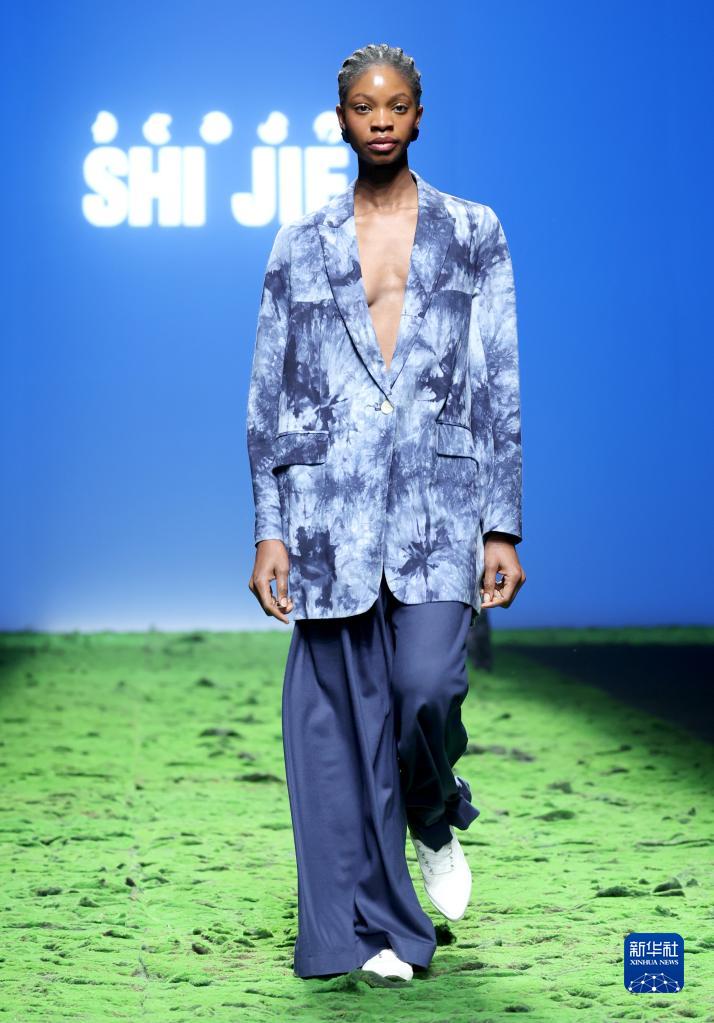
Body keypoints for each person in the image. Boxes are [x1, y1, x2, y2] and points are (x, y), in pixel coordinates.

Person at [246, 42, 526, 982]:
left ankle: (433, 809)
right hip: (331, 513)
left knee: (427, 690)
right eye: (364, 107)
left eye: (395, 105)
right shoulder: (301, 242)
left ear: (417, 117)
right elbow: (270, 395)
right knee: (346, 729)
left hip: (442, 508)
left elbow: (499, 383)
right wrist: (270, 527)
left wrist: (502, 524)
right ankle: (373, 926)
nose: (379, 120)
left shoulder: (474, 230)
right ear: (341, 121)